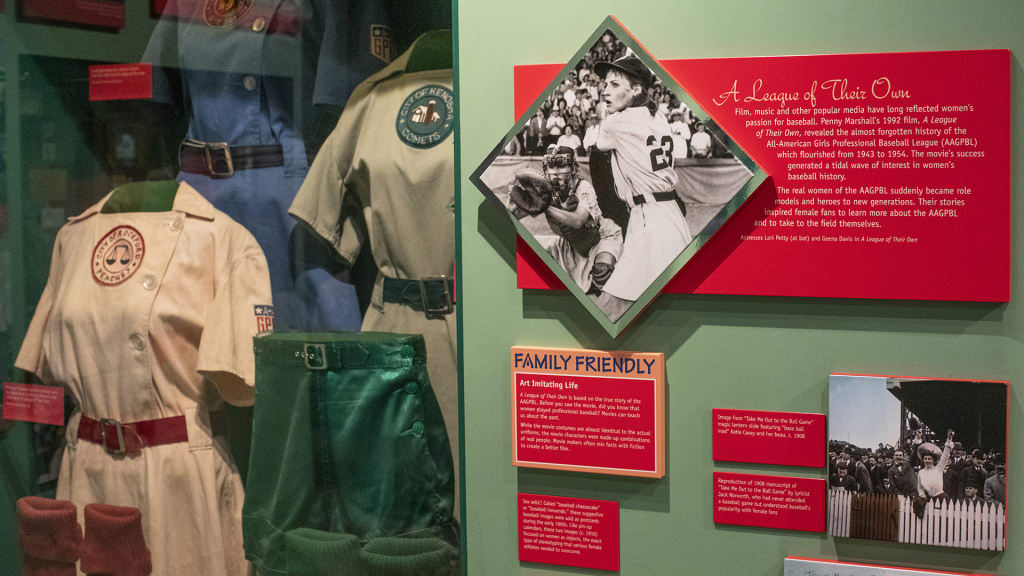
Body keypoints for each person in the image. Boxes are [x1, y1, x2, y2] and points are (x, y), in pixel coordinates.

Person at [589, 54, 692, 322]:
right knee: (662, 315)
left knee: (607, 314)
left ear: (636, 89)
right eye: (605, 84)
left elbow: (598, 154)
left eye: (614, 84)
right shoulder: (659, 118)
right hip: (670, 216)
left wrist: (610, 209)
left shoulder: (617, 123)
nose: (605, 90)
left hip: (650, 221)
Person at [509, 146, 622, 296]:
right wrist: (511, 203)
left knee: (602, 272)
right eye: (551, 166)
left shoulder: (583, 187)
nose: (555, 172)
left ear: (573, 168)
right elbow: (509, 218)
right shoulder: (544, 191)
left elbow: (578, 221)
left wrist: (545, 207)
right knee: (533, 262)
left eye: (561, 166)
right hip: (570, 246)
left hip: (600, 239)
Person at [916, 429, 955, 500]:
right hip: (928, 499)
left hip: (941, 497)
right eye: (925, 459)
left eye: (929, 459)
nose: (927, 461)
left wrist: (949, 439)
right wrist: (922, 495)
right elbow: (919, 487)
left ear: (933, 460)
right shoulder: (921, 472)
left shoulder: (938, 468)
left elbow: (945, 456)